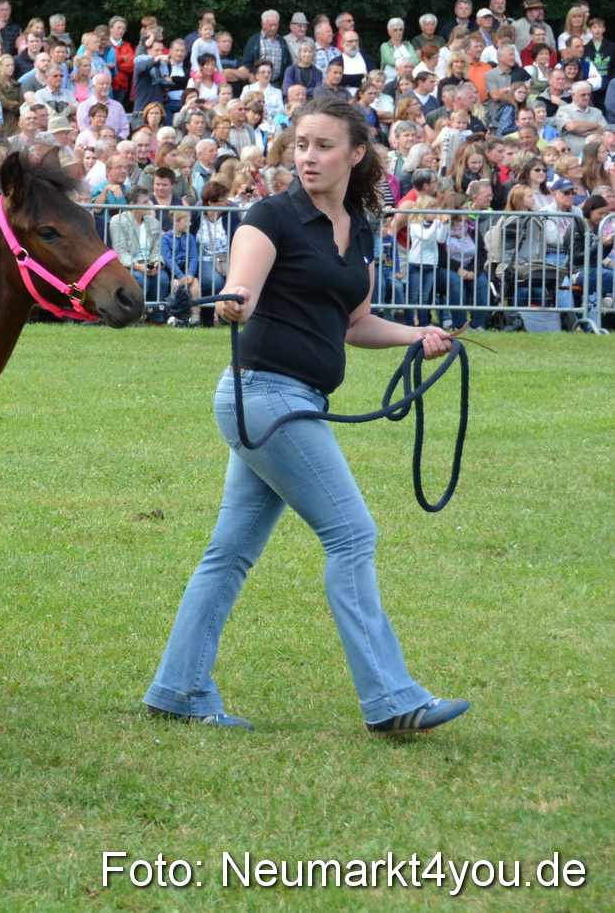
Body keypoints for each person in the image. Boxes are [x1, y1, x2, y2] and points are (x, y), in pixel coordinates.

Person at [143, 97, 468, 735]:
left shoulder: (359, 228)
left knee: (229, 553)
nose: (309, 157)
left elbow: (355, 323)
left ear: (355, 154)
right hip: (264, 397)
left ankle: (177, 688)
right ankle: (392, 699)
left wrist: (417, 335)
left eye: (323, 146)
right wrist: (232, 302)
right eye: (301, 145)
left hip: (296, 402)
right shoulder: (271, 216)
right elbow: (241, 286)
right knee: (352, 534)